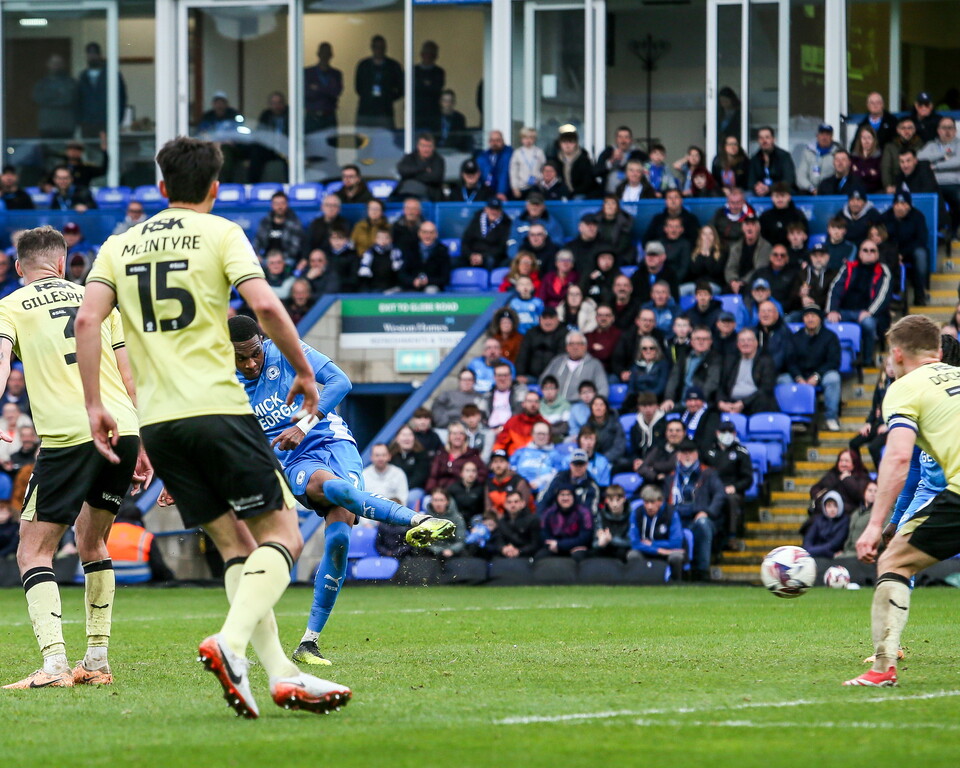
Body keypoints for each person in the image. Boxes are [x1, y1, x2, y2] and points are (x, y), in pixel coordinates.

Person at [75, 137, 350, 717]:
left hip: (158, 423)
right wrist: (304, 372)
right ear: (215, 188)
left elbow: (87, 321)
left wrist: (96, 403)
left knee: (236, 548)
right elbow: (266, 308)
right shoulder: (221, 232)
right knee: (285, 537)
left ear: (161, 187)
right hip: (218, 410)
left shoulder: (118, 245)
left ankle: (281, 675)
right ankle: (229, 643)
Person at [229, 316, 452, 665]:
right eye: (240, 358)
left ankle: (309, 643)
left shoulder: (286, 351)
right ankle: (418, 520)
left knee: (338, 540)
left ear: (263, 342)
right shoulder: (225, 384)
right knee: (334, 489)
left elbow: (340, 381)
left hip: (335, 442)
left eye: (255, 353)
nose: (250, 363)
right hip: (295, 459)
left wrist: (305, 423)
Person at [0, 226, 148, 691]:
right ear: (63, 264)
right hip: (123, 429)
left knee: (32, 549)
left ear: (19, 267)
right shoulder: (100, 301)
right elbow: (129, 375)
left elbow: (1, 359)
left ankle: (54, 665)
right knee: (93, 541)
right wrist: (142, 443)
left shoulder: (10, 305)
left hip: (71, 433)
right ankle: (97, 660)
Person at [843, 317, 960, 686]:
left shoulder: (903, 388)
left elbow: (896, 459)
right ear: (937, 350)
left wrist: (875, 526)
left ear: (896, 354)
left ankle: (883, 669)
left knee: (894, 560)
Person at [663, 439, 725, 581]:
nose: (687, 456)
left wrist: (707, 512)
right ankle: (676, 572)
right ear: (678, 455)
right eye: (684, 453)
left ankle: (701, 572)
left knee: (703, 525)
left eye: (690, 452)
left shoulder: (708, 473)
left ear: (696, 454)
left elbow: (720, 494)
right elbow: (664, 499)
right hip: (676, 517)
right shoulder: (671, 476)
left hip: (697, 516)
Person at [826, 238, 892, 366]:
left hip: (869, 313)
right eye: (865, 250)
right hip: (844, 311)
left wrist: (869, 312)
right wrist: (832, 310)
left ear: (877, 254)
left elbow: (883, 295)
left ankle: (867, 360)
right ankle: (831, 361)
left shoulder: (883, 270)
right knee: (827, 322)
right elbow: (835, 288)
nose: (868, 253)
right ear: (860, 253)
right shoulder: (849, 267)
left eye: (872, 251)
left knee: (868, 323)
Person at [785, 306, 842, 431]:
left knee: (833, 378)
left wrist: (817, 376)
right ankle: (793, 417)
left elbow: (833, 362)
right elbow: (790, 361)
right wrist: (798, 377)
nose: (810, 319)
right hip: (800, 375)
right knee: (782, 380)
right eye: (807, 316)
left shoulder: (830, 336)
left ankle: (831, 417)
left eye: (813, 316)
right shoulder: (795, 337)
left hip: (822, 374)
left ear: (820, 318)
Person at [704, 421, 752, 549]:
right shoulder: (709, 452)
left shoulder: (741, 452)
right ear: (717, 433)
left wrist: (735, 487)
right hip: (712, 489)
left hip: (732, 490)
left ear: (735, 433)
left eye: (730, 432)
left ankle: (732, 537)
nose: (727, 434)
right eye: (723, 431)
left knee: (731, 499)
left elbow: (748, 479)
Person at [880, 189, 929, 306]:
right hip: (890, 253)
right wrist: (894, 254)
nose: (900, 207)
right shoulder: (885, 217)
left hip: (910, 252)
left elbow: (921, 240)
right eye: (897, 204)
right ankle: (891, 297)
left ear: (909, 206)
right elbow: (881, 238)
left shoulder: (918, 216)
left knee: (921, 254)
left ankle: (920, 294)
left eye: (903, 204)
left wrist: (902, 254)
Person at [716, 328, 777, 415]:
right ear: (737, 344)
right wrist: (720, 402)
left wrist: (743, 403)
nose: (745, 343)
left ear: (756, 343)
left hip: (755, 403)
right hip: (732, 402)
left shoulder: (766, 361)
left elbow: (766, 389)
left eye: (749, 340)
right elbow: (721, 386)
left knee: (763, 400)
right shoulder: (730, 361)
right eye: (742, 341)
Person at [627, 484, 685, 574]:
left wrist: (653, 544)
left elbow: (676, 543)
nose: (649, 506)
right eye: (646, 502)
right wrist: (659, 551)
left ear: (660, 502)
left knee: (676, 556)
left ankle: (676, 581)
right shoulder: (637, 513)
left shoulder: (671, 514)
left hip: (667, 551)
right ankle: (637, 581)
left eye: (652, 502)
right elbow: (634, 543)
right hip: (648, 551)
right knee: (633, 555)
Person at [917, 116, 960, 236]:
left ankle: (954, 231)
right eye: (944, 128)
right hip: (934, 184)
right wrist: (944, 154)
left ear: (955, 130)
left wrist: (936, 166)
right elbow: (920, 158)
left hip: (954, 183)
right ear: (938, 130)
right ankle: (938, 231)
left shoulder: (958, 144)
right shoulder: (931, 145)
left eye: (950, 128)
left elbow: (957, 162)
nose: (947, 131)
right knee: (925, 201)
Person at [661, 327, 722, 411]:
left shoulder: (715, 359)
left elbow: (712, 383)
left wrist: (697, 400)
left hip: (701, 404)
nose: (701, 342)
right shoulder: (684, 356)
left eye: (705, 339)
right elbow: (673, 379)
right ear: (692, 342)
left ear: (710, 342)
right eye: (697, 339)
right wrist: (669, 398)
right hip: (680, 402)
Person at [539, 331, 609, 401]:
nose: (575, 347)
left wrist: (595, 404)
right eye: (571, 344)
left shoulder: (595, 364)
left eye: (579, 344)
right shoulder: (557, 361)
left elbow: (602, 388)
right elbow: (543, 380)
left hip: (580, 404)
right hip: (556, 402)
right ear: (567, 347)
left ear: (585, 347)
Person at [849, 357, 892, 470]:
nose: (891, 369)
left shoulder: (901, 384)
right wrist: (868, 423)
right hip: (879, 423)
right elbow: (874, 407)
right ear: (884, 368)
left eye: (894, 365)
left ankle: (881, 475)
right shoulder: (881, 384)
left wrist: (888, 425)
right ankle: (860, 472)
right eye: (888, 365)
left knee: (873, 448)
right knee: (854, 443)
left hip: (893, 426)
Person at [809, 448, 871, 526]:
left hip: (848, 516)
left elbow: (860, 495)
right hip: (825, 514)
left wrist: (847, 479)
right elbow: (815, 489)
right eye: (841, 461)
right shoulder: (832, 474)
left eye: (847, 461)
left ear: (854, 463)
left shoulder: (862, 477)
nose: (843, 464)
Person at [77, 42, 126, 138]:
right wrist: (80, 120)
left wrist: (118, 119)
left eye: (94, 53)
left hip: (107, 122)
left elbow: (121, 97)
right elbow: (78, 100)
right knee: (90, 146)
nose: (92, 56)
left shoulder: (111, 74)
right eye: (89, 53)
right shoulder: (83, 77)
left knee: (107, 146)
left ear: (99, 55)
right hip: (88, 124)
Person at [355, 35, 403, 129]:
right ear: (372, 48)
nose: (379, 50)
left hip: (384, 112)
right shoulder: (363, 65)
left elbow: (401, 89)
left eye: (382, 47)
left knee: (386, 137)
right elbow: (358, 88)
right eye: (376, 47)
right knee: (363, 137)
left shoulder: (393, 66)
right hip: (365, 111)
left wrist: (388, 97)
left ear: (385, 48)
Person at [536, 484, 593, 561]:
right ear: (557, 497)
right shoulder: (549, 513)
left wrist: (560, 545)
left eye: (569, 495)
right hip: (554, 547)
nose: (565, 498)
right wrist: (554, 545)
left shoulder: (584, 512)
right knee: (540, 556)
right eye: (562, 495)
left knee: (579, 555)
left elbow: (585, 537)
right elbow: (544, 534)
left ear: (574, 497)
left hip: (576, 547)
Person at [427, 422, 488, 492]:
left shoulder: (472, 454)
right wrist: (432, 491)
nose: (458, 437)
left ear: (465, 437)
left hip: (463, 492)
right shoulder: (441, 453)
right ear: (449, 437)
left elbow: (482, 474)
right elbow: (433, 475)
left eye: (461, 434)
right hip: (442, 492)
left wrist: (471, 487)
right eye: (454, 434)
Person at [507, 192, 565, 259]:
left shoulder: (552, 223)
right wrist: (517, 258)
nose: (534, 207)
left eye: (537, 204)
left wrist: (544, 258)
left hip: (545, 258)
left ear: (543, 206)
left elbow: (557, 244)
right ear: (527, 206)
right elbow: (513, 241)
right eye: (532, 204)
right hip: (522, 258)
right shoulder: (518, 222)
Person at [515, 307, 566, 383]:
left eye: (551, 318)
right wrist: (520, 374)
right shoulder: (531, 333)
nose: (548, 322)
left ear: (557, 319)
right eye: (545, 318)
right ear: (540, 320)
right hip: (531, 377)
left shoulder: (564, 334)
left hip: (554, 377)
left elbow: (562, 357)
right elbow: (523, 355)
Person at [33, 53, 78, 139]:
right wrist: (59, 94)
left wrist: (50, 98)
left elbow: (69, 99)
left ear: (63, 65)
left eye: (58, 63)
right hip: (47, 126)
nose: (56, 65)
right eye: (53, 63)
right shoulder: (42, 83)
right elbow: (38, 98)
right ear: (48, 64)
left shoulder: (71, 83)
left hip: (66, 126)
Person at [253, 192, 304, 267]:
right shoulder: (265, 222)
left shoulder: (295, 223)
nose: (280, 207)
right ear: (272, 205)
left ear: (287, 204)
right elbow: (257, 241)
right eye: (276, 204)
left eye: (282, 203)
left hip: (286, 259)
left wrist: (279, 259)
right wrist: (257, 255)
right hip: (266, 259)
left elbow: (295, 248)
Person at [487, 490, 540, 560]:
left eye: (516, 502)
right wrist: (503, 549)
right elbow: (498, 541)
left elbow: (536, 544)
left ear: (523, 503)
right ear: (505, 505)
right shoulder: (501, 522)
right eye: (509, 502)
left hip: (527, 556)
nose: (513, 505)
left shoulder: (533, 520)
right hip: (506, 555)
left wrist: (519, 551)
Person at [399, 220, 450, 293]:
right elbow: (402, 273)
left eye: (431, 233)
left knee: (431, 290)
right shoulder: (410, 248)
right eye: (424, 232)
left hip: (433, 287)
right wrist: (413, 281)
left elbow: (445, 278)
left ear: (436, 234)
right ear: (419, 233)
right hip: (411, 287)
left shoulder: (442, 250)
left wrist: (428, 281)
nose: (428, 236)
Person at [724, 216, 771, 295]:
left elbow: (759, 269)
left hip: (754, 283)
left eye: (753, 224)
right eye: (747, 224)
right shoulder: (736, 247)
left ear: (758, 228)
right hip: (735, 283)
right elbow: (730, 267)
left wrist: (743, 282)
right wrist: (733, 281)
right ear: (742, 228)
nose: (749, 228)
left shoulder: (765, 247)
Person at [461, 198, 511, 270]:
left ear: (501, 211)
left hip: (491, 257)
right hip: (472, 254)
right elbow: (466, 240)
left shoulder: (506, 223)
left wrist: (483, 257)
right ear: (486, 209)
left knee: (490, 261)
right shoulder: (476, 219)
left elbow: (502, 247)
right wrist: (470, 255)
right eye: (491, 209)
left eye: (496, 209)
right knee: (455, 262)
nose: (493, 212)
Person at [493, 390, 548, 456]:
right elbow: (500, 444)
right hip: (513, 459)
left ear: (539, 404)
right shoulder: (512, 422)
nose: (533, 404)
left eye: (536, 401)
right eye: (530, 401)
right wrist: (499, 457)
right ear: (523, 404)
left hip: (537, 459)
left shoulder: (545, 425)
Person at [595, 125, 647, 194]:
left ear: (631, 140)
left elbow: (646, 171)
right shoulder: (608, 152)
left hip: (632, 194)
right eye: (620, 137)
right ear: (616, 139)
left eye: (626, 137)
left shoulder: (639, 154)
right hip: (609, 194)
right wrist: (611, 161)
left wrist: (625, 161)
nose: (623, 140)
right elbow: (596, 172)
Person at [304, 42, 343, 132]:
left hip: (329, 117)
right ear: (318, 54)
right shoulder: (307, 73)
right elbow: (308, 94)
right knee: (311, 141)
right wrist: (327, 90)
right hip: (312, 117)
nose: (325, 56)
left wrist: (318, 88)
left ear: (331, 55)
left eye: (327, 53)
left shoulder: (336, 74)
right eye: (323, 53)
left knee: (331, 141)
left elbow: (336, 93)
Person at [747, 126, 796, 196]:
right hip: (760, 193)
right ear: (758, 140)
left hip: (780, 191)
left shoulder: (784, 156)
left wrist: (769, 188)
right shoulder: (754, 159)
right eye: (761, 138)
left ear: (773, 139)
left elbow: (789, 180)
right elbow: (751, 182)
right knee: (748, 194)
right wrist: (757, 187)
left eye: (767, 137)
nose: (764, 141)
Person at [396, 133, 445, 201]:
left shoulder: (438, 160)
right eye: (423, 146)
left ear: (434, 147)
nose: (426, 149)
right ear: (418, 146)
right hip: (405, 193)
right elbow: (402, 170)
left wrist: (410, 176)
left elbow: (435, 178)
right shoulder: (410, 157)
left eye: (429, 146)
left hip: (429, 195)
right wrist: (423, 169)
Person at [485, 449, 533, 517]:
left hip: (518, 519)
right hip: (495, 519)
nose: (498, 465)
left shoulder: (519, 481)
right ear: (491, 465)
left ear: (508, 464)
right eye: (495, 462)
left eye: (501, 461)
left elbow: (522, 507)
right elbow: (488, 508)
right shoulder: (489, 483)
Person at [591, 484, 633, 561]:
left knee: (622, 552)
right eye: (611, 500)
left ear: (624, 499)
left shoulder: (631, 514)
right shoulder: (601, 515)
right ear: (606, 500)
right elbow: (594, 543)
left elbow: (631, 542)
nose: (615, 504)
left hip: (623, 550)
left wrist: (611, 539)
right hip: (606, 548)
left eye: (618, 500)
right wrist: (601, 543)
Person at [553, 127, 597, 198]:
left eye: (571, 142)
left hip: (581, 193)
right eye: (564, 142)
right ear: (560, 144)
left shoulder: (584, 159)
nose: (567, 145)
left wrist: (574, 192)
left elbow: (587, 182)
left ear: (576, 143)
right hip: (561, 194)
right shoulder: (555, 160)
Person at [759, 183, 808, 248]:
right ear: (772, 198)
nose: (780, 199)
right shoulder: (765, 216)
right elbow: (762, 239)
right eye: (776, 196)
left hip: (793, 251)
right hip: (770, 251)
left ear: (789, 197)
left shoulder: (798, 215)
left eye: (782, 196)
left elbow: (804, 237)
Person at [803, 490, 849, 559]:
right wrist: (826, 553)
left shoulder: (844, 521)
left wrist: (811, 551)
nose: (832, 509)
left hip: (834, 559)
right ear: (824, 507)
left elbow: (834, 544)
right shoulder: (819, 520)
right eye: (829, 506)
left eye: (835, 506)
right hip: (820, 554)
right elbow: (808, 540)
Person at [796, 123, 841, 193]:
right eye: (822, 134)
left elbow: (841, 175)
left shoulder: (838, 153)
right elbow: (801, 177)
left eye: (827, 134)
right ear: (817, 136)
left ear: (832, 137)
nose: (824, 137)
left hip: (830, 192)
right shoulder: (808, 152)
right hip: (810, 192)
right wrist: (811, 188)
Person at [881, 118, 922, 193]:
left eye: (910, 128)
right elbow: (886, 168)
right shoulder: (890, 147)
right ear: (898, 130)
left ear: (914, 130)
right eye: (903, 128)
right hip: (895, 186)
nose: (907, 131)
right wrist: (888, 186)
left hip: (917, 187)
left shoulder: (921, 146)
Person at [586, 396, 626, 469]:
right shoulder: (587, 426)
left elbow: (619, 447)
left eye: (601, 405)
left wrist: (603, 459)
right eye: (595, 405)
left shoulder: (615, 424)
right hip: (593, 461)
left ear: (606, 408)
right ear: (591, 408)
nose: (598, 408)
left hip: (613, 461)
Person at [413, 41, 444, 133]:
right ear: (421, 54)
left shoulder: (439, 72)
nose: (429, 56)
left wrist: (422, 86)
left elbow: (436, 89)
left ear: (436, 56)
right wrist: (427, 86)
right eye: (427, 53)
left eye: (432, 54)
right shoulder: (413, 71)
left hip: (433, 114)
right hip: (416, 114)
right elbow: (411, 90)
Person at [841, 480, 877, 559]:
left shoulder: (880, 513)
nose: (873, 493)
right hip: (849, 552)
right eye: (870, 490)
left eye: (875, 491)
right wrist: (844, 551)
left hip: (865, 554)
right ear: (864, 493)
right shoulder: (855, 513)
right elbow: (849, 537)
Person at [389, 425, 431, 492]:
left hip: (414, 489)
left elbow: (419, 478)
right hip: (393, 490)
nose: (407, 438)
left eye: (410, 435)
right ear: (397, 439)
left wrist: (403, 488)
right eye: (404, 435)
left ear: (414, 438)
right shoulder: (390, 456)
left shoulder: (422, 455)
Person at [477, 130, 514, 201]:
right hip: (487, 195)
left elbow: (504, 175)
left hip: (506, 195)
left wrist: (501, 192)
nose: (495, 143)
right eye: (492, 140)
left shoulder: (509, 154)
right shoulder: (483, 157)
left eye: (498, 140)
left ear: (503, 141)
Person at [585, 303, 621, 373]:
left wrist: (592, 348)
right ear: (596, 318)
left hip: (609, 372)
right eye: (600, 315)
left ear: (612, 318)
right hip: (589, 371)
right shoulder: (589, 335)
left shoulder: (618, 335)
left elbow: (606, 355)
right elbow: (584, 355)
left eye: (607, 315)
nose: (603, 318)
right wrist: (592, 347)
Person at [850, 125, 883, 193]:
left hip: (875, 192)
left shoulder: (879, 157)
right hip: (856, 193)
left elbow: (877, 178)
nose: (866, 141)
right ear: (860, 140)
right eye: (864, 138)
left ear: (874, 140)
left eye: (869, 138)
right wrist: (869, 172)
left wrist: (859, 172)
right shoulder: (853, 157)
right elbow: (852, 177)